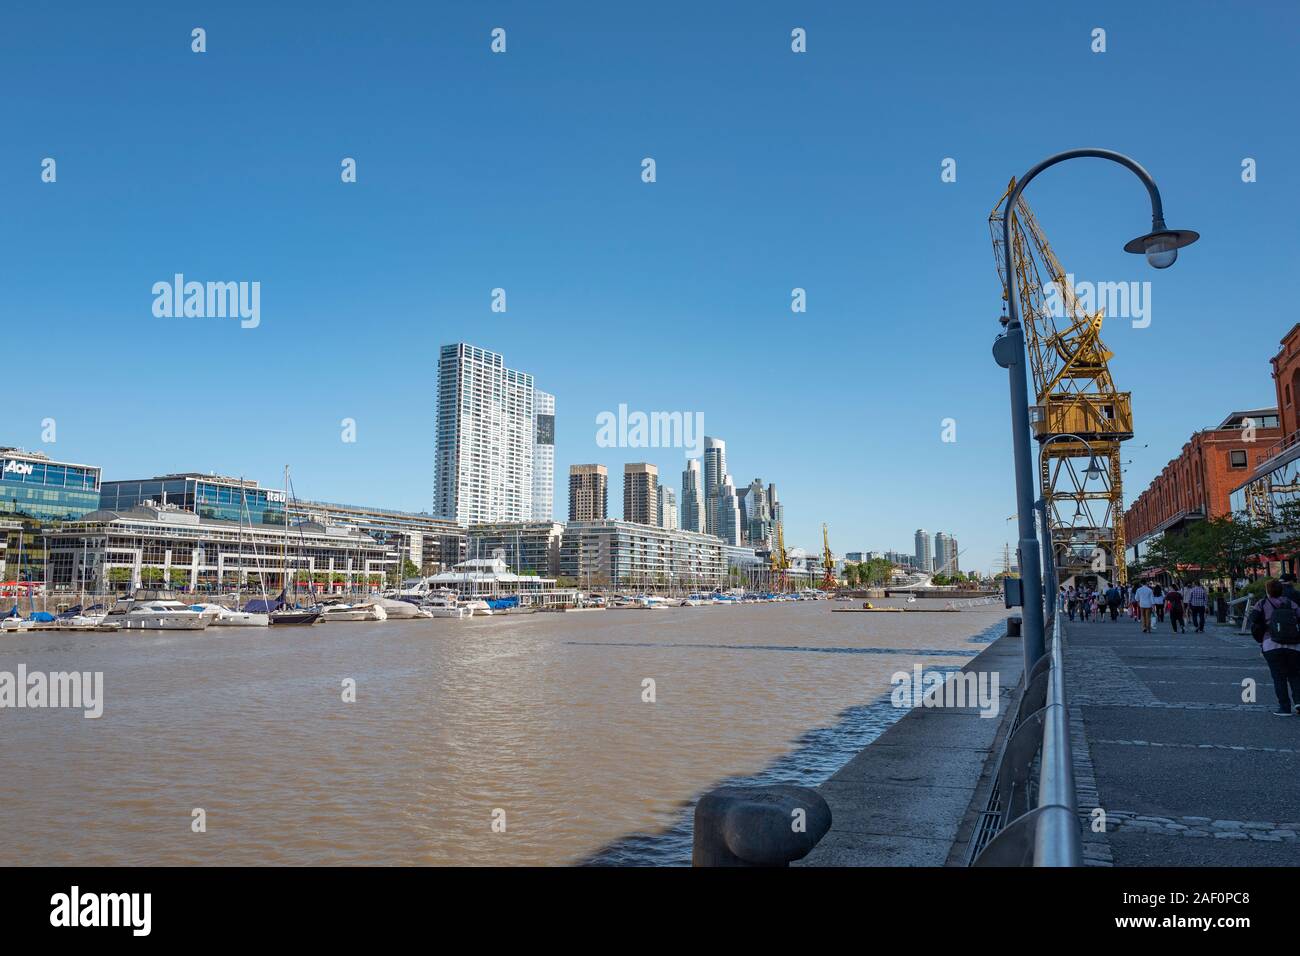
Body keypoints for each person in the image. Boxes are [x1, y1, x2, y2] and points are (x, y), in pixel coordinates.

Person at [1247, 579, 1300, 717]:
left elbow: (1253, 620)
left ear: (1267, 590)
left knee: (1279, 677)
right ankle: (1299, 702)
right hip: (1293, 644)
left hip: (1271, 644)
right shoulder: (1291, 603)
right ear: (1282, 590)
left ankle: (1284, 707)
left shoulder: (1262, 603)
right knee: (1295, 675)